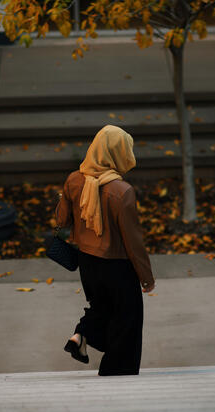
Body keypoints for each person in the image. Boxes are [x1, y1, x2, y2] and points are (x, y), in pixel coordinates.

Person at [55, 124, 155, 376]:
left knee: (101, 307)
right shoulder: (122, 191)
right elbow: (133, 241)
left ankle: (81, 335)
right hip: (117, 266)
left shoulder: (74, 180)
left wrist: (66, 194)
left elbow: (61, 221)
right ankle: (116, 376)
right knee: (127, 321)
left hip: (87, 263)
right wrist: (145, 276)